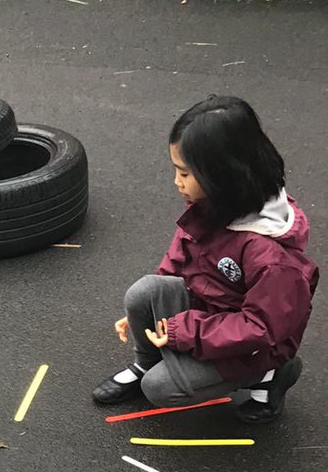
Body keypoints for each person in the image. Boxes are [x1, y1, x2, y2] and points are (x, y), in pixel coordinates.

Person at [93, 97, 318, 423]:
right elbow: (180, 256)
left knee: (161, 389)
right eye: (176, 170)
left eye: (185, 173)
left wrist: (182, 332)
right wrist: (150, 316)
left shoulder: (272, 258)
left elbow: (259, 327)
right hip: (211, 313)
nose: (176, 181)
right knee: (144, 293)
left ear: (223, 174)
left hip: (255, 344)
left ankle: (271, 374)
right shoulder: (216, 202)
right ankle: (146, 362)